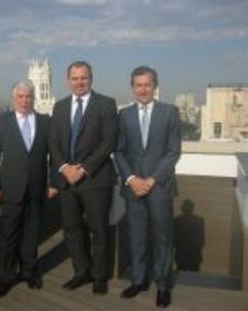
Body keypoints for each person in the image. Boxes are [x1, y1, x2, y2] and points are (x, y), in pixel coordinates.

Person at [49, 61, 118, 295]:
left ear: (91, 78)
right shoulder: (59, 107)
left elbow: (109, 142)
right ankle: (81, 272)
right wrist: (64, 167)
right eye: (75, 78)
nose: (79, 82)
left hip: (95, 178)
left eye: (84, 78)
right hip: (67, 180)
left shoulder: (106, 104)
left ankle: (100, 276)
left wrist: (84, 168)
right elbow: (53, 142)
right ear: (68, 80)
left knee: (98, 229)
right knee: (72, 229)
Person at [115, 66, 181, 308]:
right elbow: (118, 152)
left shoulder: (170, 112)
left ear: (155, 86)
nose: (143, 89)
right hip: (133, 188)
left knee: (163, 238)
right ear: (133, 87)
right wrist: (132, 179)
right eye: (138, 85)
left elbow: (174, 152)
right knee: (137, 237)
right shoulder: (123, 115)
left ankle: (163, 285)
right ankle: (139, 280)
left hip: (160, 187)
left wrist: (151, 180)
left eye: (147, 84)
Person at [0, 79, 57, 297]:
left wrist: (53, 182)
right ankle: (5, 277)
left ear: (33, 98)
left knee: (31, 233)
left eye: (28, 96)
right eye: (21, 97)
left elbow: (53, 155)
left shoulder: (45, 121)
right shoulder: (1, 122)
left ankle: (29, 272)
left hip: (37, 188)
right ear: (14, 99)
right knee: (9, 235)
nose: (25, 101)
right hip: (10, 189)